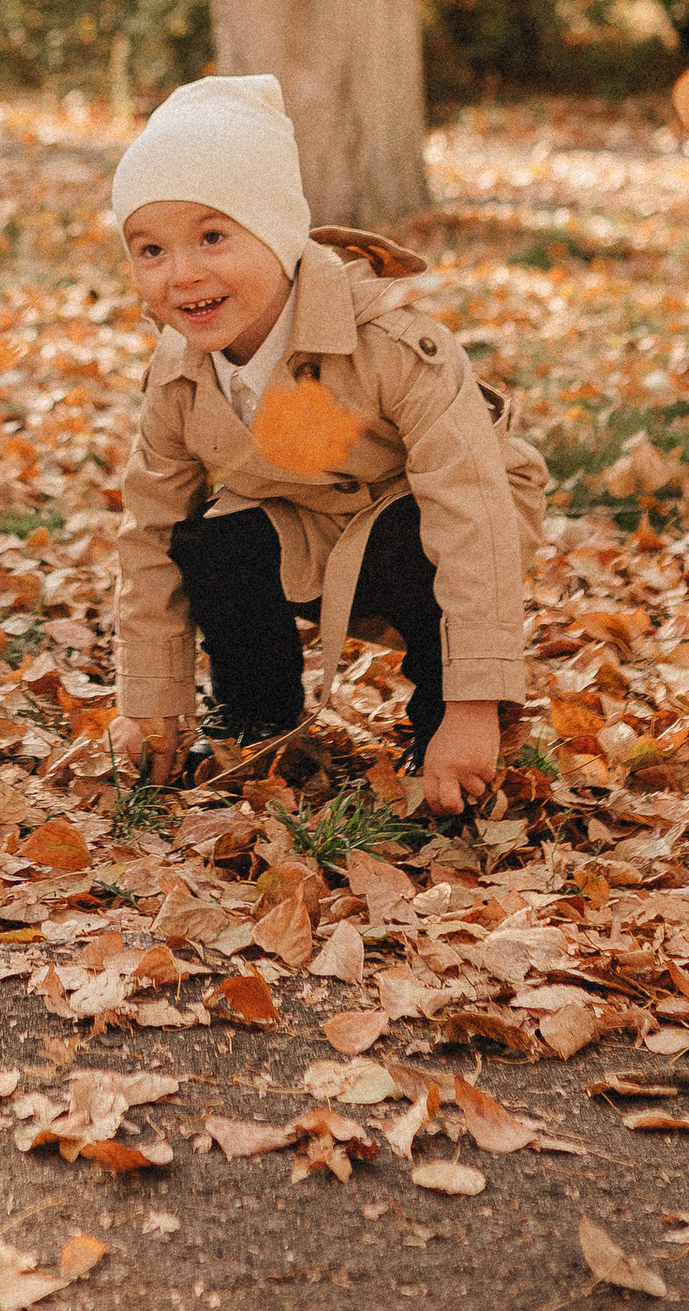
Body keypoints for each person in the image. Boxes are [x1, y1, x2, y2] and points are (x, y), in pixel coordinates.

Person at [103, 74, 545, 811]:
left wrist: (473, 708)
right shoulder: (178, 375)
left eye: (213, 236)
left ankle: (449, 712)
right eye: (151, 249)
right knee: (208, 539)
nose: (182, 273)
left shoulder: (395, 349)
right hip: (306, 517)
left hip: (440, 513)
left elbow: (473, 517)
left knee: (426, 535)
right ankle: (256, 713)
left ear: (277, 234)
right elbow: (147, 531)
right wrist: (148, 699)